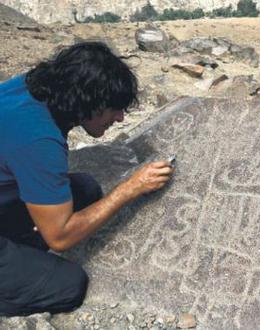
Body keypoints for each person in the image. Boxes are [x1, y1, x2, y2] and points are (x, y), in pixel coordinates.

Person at [0, 42, 174, 316]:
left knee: (84, 189)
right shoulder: (39, 140)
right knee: (69, 285)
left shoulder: (34, 89)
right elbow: (60, 237)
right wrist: (129, 189)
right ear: (87, 101)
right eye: (113, 108)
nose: (119, 118)